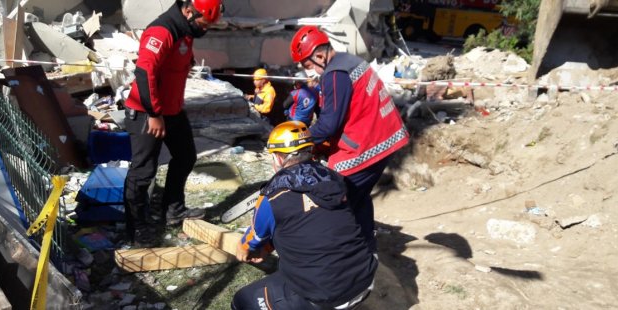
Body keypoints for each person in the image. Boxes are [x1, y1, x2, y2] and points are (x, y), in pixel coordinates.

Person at [233, 121, 377, 310]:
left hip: (325, 295)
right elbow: (311, 224)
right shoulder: (336, 179)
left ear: (278, 158)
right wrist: (269, 246)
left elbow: (253, 239)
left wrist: (244, 249)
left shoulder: (272, 197)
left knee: (241, 301)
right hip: (365, 279)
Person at [290, 26, 410, 252]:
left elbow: (328, 124)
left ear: (319, 55)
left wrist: (299, 140)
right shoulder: (347, 61)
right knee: (359, 197)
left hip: (367, 143)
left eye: (307, 66)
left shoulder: (335, 74)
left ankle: (341, 252)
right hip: (384, 135)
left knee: (338, 199)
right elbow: (344, 112)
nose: (308, 72)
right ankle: (366, 245)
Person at [123, 0, 224, 246]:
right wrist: (154, 114)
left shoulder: (186, 32)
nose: (205, 28)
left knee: (186, 156)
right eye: (204, 22)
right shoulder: (161, 31)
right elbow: (144, 73)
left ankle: (172, 209)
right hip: (148, 111)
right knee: (143, 171)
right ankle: (138, 227)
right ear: (188, 11)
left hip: (172, 110)